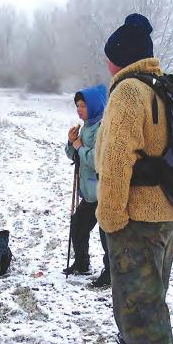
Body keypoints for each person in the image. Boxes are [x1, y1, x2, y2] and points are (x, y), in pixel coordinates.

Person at [95, 13, 173, 344]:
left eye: (110, 57)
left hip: (138, 215)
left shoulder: (128, 92)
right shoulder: (163, 87)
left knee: (140, 298)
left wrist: (110, 216)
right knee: (153, 290)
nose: (108, 65)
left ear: (121, 58)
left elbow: (115, 162)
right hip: (169, 210)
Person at [62, 84, 111, 287]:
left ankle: (110, 273)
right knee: (78, 225)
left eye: (83, 105)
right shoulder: (86, 127)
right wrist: (71, 142)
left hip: (104, 191)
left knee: (106, 235)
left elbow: (98, 160)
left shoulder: (103, 128)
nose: (79, 109)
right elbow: (73, 155)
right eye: (77, 106)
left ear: (95, 106)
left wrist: (80, 146)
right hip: (90, 193)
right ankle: (82, 263)